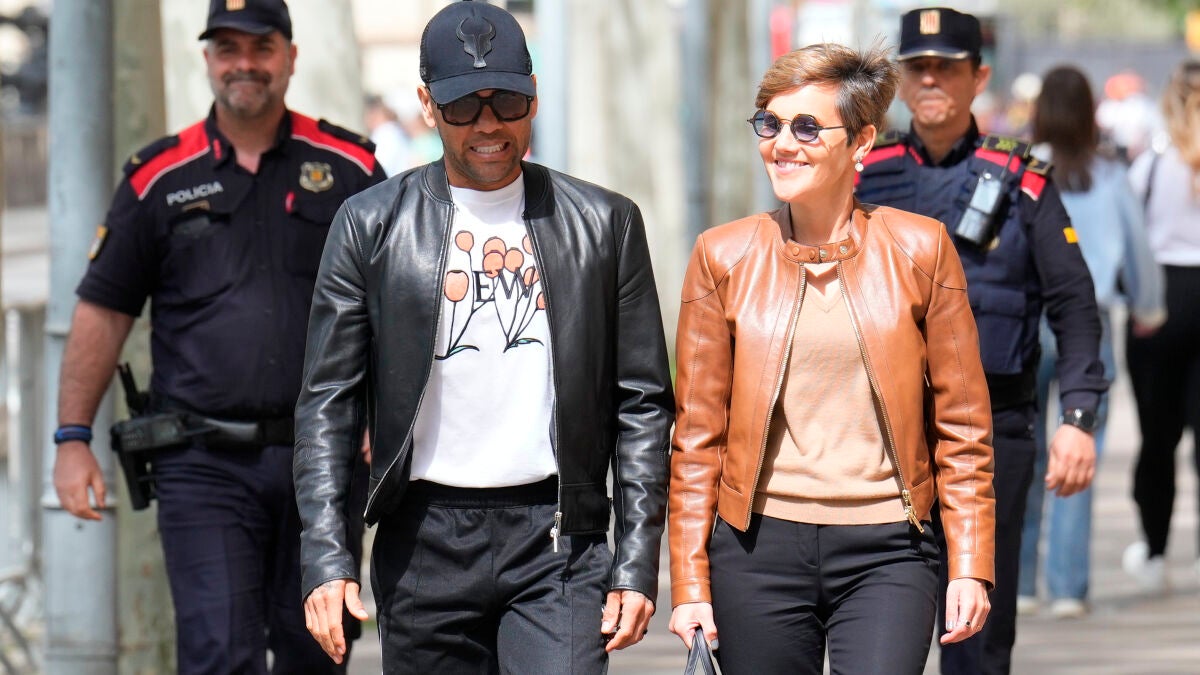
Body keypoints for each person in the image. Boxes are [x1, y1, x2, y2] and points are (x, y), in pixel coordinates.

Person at [292, 2, 674, 673]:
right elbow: (329, 403)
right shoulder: (369, 225)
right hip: (424, 539)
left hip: (560, 538)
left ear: (534, 96)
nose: (489, 124)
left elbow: (642, 402)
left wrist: (637, 561)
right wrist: (328, 554)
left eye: (508, 102)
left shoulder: (605, 224)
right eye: (463, 106)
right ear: (427, 105)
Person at [51, 1, 385, 672]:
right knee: (218, 655)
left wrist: (387, 412)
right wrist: (71, 437)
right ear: (207, 59)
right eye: (228, 49)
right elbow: (103, 311)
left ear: (290, 56)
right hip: (202, 464)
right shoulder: (157, 178)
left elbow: (399, 304)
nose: (244, 64)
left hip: (324, 462)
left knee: (318, 654)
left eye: (261, 48)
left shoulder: (351, 168)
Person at [667, 43, 995, 675]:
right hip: (756, 548)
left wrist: (971, 562)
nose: (782, 144)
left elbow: (964, 426)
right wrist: (689, 581)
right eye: (770, 123)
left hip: (890, 549)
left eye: (807, 127)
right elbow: (697, 438)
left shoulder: (921, 249)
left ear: (862, 140)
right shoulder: (722, 256)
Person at [855, 8, 1108, 674]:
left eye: (946, 67)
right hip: (881, 437)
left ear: (979, 77)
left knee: (977, 635)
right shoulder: (862, 175)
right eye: (918, 67)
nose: (930, 79)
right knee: (880, 627)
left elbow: (1074, 304)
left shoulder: (1023, 180)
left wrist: (1079, 416)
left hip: (995, 429)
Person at [1017, 65, 1166, 618]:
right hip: (1090, 325)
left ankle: (1020, 583)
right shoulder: (1108, 175)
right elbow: (1139, 248)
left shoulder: (1020, 167)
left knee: (1025, 452)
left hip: (1027, 323)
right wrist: (1149, 306)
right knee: (1080, 452)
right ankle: (1068, 587)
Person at [1122, 59, 1200, 592]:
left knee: (1157, 435)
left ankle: (1154, 549)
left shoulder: (1150, 163)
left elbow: (1131, 241)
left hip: (1159, 301)